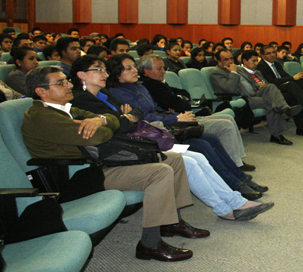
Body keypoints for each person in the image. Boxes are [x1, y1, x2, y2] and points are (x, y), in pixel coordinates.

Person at [22, 65, 209, 262]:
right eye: (61, 83)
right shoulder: (42, 117)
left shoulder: (67, 109)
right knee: (160, 171)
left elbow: (113, 120)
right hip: (78, 177)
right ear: (41, 91)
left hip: (98, 164)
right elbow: (100, 135)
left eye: (66, 80)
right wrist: (105, 124)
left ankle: (171, 222)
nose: (69, 85)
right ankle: (150, 244)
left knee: (173, 159)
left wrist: (101, 120)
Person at [69, 56, 273, 217]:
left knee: (199, 155)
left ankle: (236, 202)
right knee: (194, 157)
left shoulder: (105, 94)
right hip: (125, 149)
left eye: (104, 69)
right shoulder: (83, 99)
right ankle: (228, 208)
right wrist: (123, 118)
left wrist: (125, 117)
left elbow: (136, 114)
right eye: (98, 70)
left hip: (139, 138)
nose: (104, 73)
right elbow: (119, 124)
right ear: (81, 75)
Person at [113, 54, 255, 170]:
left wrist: (177, 107)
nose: (164, 71)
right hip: (163, 127)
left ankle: (235, 166)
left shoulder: (141, 87)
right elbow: (152, 111)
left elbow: (175, 98)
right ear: (147, 71)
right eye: (160, 68)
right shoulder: (144, 86)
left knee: (225, 122)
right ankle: (235, 166)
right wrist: (177, 115)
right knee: (220, 128)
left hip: (174, 118)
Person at [211, 49, 303, 145]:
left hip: (254, 93)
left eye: (231, 58)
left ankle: (285, 109)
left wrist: (258, 85)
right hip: (241, 99)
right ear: (218, 61)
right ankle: (277, 134)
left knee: (270, 86)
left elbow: (249, 82)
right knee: (271, 102)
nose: (230, 62)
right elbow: (230, 89)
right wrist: (233, 73)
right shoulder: (217, 73)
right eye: (226, 59)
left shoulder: (237, 69)